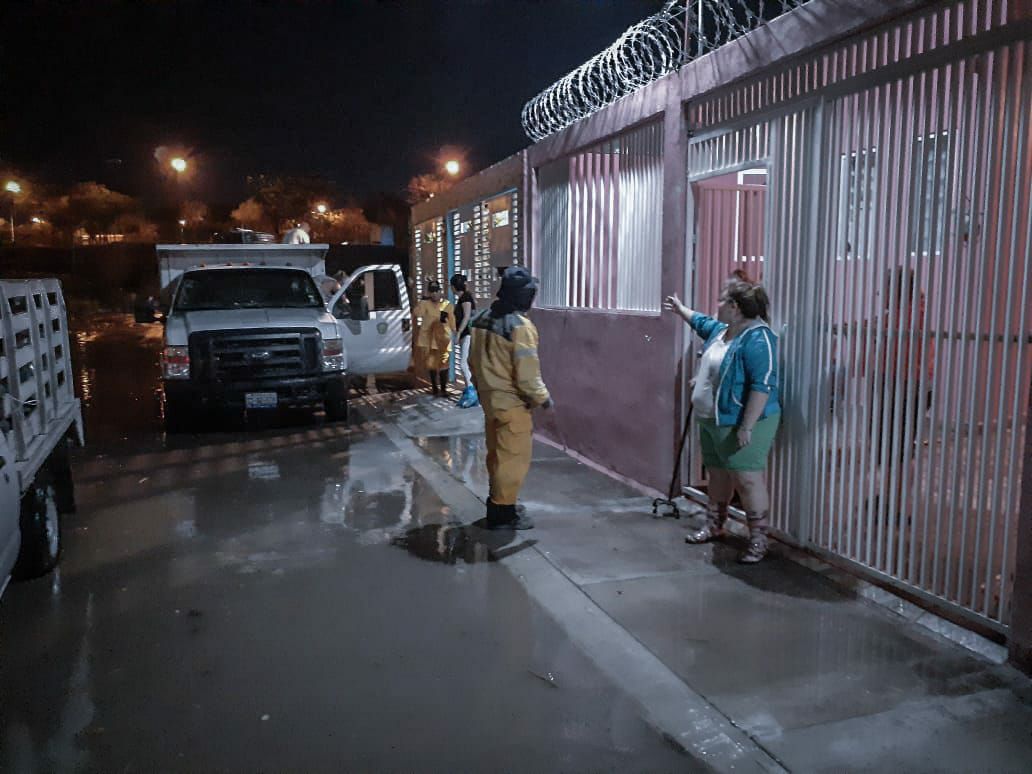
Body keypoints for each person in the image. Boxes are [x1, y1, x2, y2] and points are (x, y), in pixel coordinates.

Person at [664, 270, 781, 563]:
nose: (716, 304)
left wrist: (747, 427)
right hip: (712, 418)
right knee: (716, 473)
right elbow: (702, 323)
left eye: (721, 300)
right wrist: (681, 311)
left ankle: (758, 539)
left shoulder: (758, 338)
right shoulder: (723, 331)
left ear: (735, 307)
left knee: (747, 478)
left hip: (742, 422)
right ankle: (716, 526)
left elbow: (762, 386)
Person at [469, 266, 553, 530]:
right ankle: (503, 514)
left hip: (489, 400)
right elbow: (528, 374)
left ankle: (497, 502)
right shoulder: (521, 327)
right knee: (513, 459)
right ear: (524, 295)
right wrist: (543, 398)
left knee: (495, 455)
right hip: (512, 403)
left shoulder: (480, 318)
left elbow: (472, 361)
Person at [412, 282, 454, 396]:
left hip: (442, 340)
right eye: (432, 291)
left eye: (436, 291)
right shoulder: (425, 304)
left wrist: (455, 332)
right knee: (431, 365)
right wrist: (422, 301)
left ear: (440, 291)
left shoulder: (447, 304)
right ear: (429, 292)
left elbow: (452, 321)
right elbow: (417, 313)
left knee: (444, 364)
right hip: (428, 340)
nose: (434, 294)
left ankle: (444, 389)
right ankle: (435, 388)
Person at [450, 273, 476, 393]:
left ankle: (471, 390)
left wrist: (459, 333)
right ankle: (469, 388)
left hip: (467, 334)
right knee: (466, 363)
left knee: (463, 364)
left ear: (454, 287)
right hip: (465, 334)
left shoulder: (466, 298)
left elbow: (466, 316)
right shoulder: (463, 297)